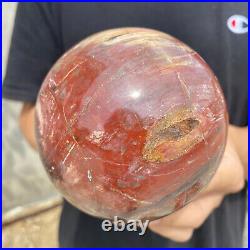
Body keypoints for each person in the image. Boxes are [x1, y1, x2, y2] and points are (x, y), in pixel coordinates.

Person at [3, 3, 248, 248]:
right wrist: (98, 161)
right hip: (88, 233)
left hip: (216, 233)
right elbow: (32, 116)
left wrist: (233, 151)